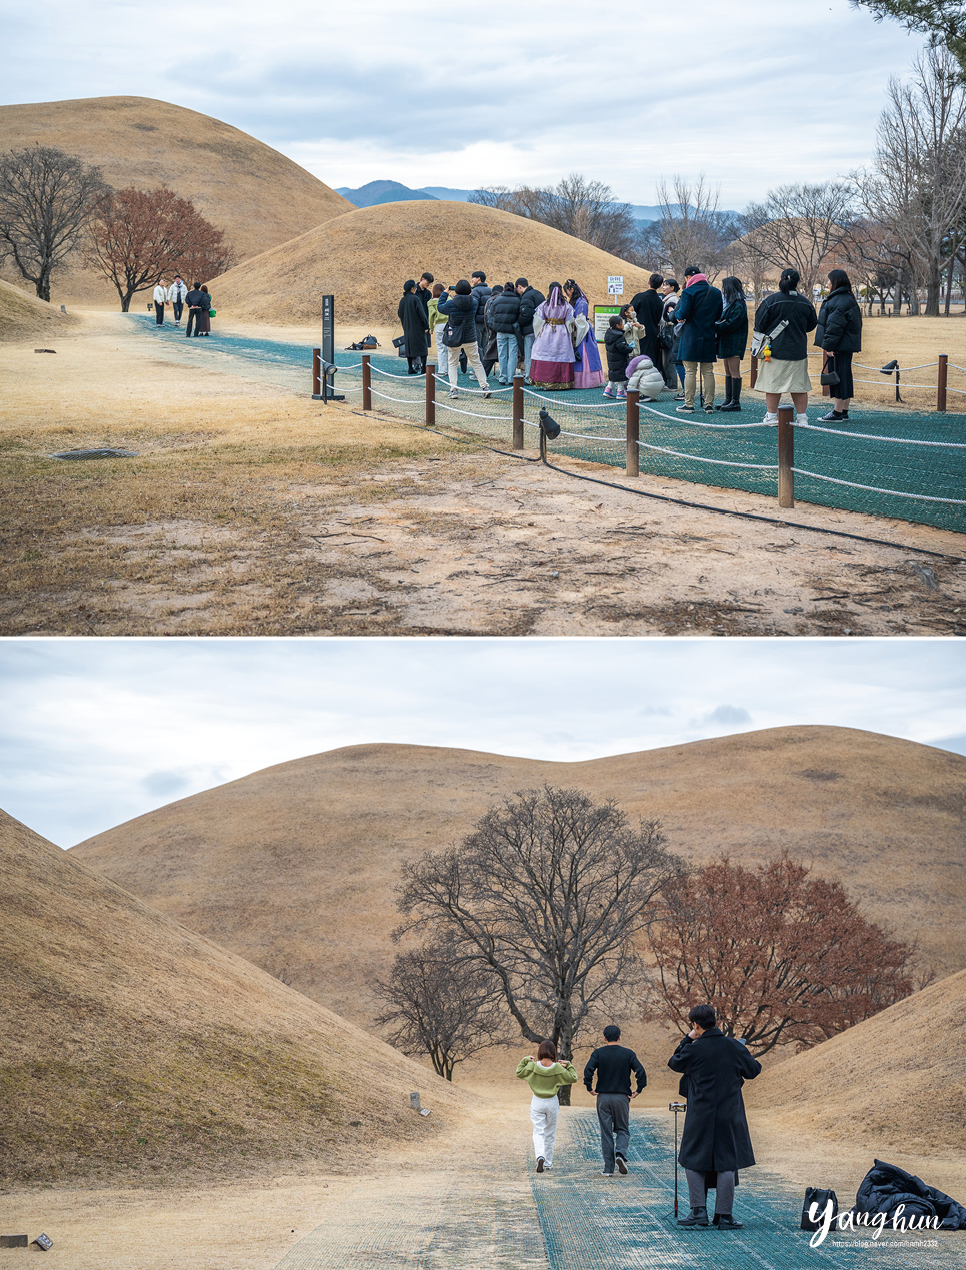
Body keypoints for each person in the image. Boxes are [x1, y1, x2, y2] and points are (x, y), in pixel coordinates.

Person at [668, 1004, 761, 1230]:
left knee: (692, 1158)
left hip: (700, 1112)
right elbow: (753, 1070)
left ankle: (698, 1212)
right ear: (716, 1021)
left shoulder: (694, 1048)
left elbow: (675, 1061)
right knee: (727, 1162)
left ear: (696, 1024)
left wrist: (687, 1039)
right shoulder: (733, 1046)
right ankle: (725, 1216)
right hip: (730, 1112)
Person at [753, 267, 818, 425]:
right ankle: (802, 418)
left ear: (781, 279)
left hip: (774, 350)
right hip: (798, 349)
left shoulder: (771, 300)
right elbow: (811, 324)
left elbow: (759, 324)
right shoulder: (805, 302)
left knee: (773, 385)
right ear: (797, 282)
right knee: (799, 386)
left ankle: (772, 417)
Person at [583, 1024, 646, 1176]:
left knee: (606, 1132)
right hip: (622, 1098)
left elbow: (588, 1070)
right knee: (623, 1129)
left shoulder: (598, 1053)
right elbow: (641, 1072)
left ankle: (608, 1169)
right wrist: (638, 1089)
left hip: (603, 1097)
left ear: (604, 1038)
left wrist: (589, 1087)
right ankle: (620, 1154)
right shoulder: (628, 1054)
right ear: (619, 1037)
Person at [516, 1040, 577, 1174]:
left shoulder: (532, 1066)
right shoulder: (558, 1068)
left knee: (538, 1132)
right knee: (550, 1133)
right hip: (552, 1102)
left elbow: (519, 1072)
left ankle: (540, 1156)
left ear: (540, 1052)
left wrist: (525, 1060)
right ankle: (548, 1163)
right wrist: (569, 1065)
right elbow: (573, 1078)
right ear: (554, 1053)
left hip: (537, 1100)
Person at [815, 268, 862, 421]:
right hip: (846, 345)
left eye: (829, 280)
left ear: (835, 281)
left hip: (839, 346)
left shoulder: (838, 300)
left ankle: (837, 412)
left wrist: (829, 346)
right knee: (845, 375)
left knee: (839, 376)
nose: (828, 283)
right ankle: (844, 410)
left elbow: (834, 327)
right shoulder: (848, 298)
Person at [674, 266, 723, 414]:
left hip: (690, 336)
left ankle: (689, 404)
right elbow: (718, 315)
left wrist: (676, 314)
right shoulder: (716, 292)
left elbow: (682, 314)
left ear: (688, 278)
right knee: (708, 371)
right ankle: (709, 405)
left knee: (690, 371)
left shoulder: (688, 292)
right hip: (708, 335)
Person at [437, 279, 491, 399]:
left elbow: (440, 308)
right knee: (476, 362)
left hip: (454, 337)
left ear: (456, 290)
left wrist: (445, 294)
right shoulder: (474, 302)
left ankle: (454, 390)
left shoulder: (451, 303)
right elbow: (472, 300)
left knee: (452, 363)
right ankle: (485, 387)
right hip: (470, 336)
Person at [529, 283, 575, 390]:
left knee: (546, 353)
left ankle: (545, 382)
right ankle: (562, 382)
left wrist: (539, 333)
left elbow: (538, 321)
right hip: (562, 332)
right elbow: (570, 322)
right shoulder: (567, 306)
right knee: (561, 354)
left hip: (547, 332)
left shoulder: (544, 305)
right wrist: (571, 335)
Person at [714, 276, 749, 412]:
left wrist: (716, 327)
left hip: (735, 340)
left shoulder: (738, 303)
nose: (722, 290)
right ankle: (728, 399)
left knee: (734, 370)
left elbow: (733, 323)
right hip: (726, 339)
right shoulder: (729, 302)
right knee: (727, 370)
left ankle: (735, 401)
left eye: (724, 286)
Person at [564, 279, 605, 389]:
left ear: (572, 289)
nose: (567, 294)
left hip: (582, 331)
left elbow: (580, 320)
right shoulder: (578, 301)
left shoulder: (581, 302)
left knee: (583, 355)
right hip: (579, 329)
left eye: (567, 291)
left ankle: (584, 381)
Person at [487, 280, 523, 385]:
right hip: (513, 331)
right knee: (513, 355)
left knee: (502, 354)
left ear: (503, 289)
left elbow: (492, 315)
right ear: (513, 289)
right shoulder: (517, 301)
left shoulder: (497, 300)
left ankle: (502, 377)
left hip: (500, 331)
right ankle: (511, 378)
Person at [629, 272, 665, 373]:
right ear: (660, 286)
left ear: (648, 282)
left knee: (636, 357)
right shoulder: (659, 301)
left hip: (637, 331)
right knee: (649, 357)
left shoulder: (639, 297)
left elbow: (629, 311)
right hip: (653, 332)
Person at [397, 279, 430, 374]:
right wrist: (426, 326)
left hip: (407, 327)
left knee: (409, 347)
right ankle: (423, 367)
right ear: (412, 289)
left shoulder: (402, 300)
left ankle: (410, 367)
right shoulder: (415, 299)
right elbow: (422, 314)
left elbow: (399, 313)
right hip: (418, 327)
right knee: (422, 347)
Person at [516, 278, 545, 382]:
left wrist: (518, 323)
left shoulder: (526, 296)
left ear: (519, 286)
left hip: (530, 330)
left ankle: (529, 377)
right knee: (539, 354)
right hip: (541, 329)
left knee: (529, 354)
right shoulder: (539, 294)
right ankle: (538, 376)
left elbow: (526, 314)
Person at [659, 280, 685, 396]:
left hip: (670, 329)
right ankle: (670, 382)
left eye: (666, 285)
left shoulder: (672, 300)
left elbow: (671, 318)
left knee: (670, 358)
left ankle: (672, 383)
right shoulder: (668, 299)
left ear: (672, 287)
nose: (663, 287)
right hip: (669, 329)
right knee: (668, 357)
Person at [603, 316, 634, 398]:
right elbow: (622, 348)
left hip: (611, 359)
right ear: (617, 325)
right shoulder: (619, 336)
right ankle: (620, 391)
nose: (623, 324)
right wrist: (630, 348)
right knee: (621, 375)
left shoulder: (608, 334)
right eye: (621, 323)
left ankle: (608, 389)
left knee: (613, 373)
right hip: (620, 359)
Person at [482, 282, 504, 377]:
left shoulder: (490, 300)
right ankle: (506, 375)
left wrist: (489, 332)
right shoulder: (503, 299)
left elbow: (486, 318)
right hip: (503, 329)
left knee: (490, 353)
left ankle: (482, 374)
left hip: (493, 330)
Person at [470, 271, 492, 365]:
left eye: (473, 278)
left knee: (477, 346)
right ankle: (484, 368)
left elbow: (473, 306)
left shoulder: (475, 291)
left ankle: (478, 369)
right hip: (487, 322)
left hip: (477, 322)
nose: (472, 280)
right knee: (485, 345)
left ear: (478, 278)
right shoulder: (490, 290)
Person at [427, 282, 448, 373]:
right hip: (449, 325)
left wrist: (431, 329)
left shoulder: (431, 302)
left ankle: (442, 370)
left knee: (441, 348)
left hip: (439, 325)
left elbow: (431, 317)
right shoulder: (449, 299)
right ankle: (449, 369)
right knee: (449, 348)